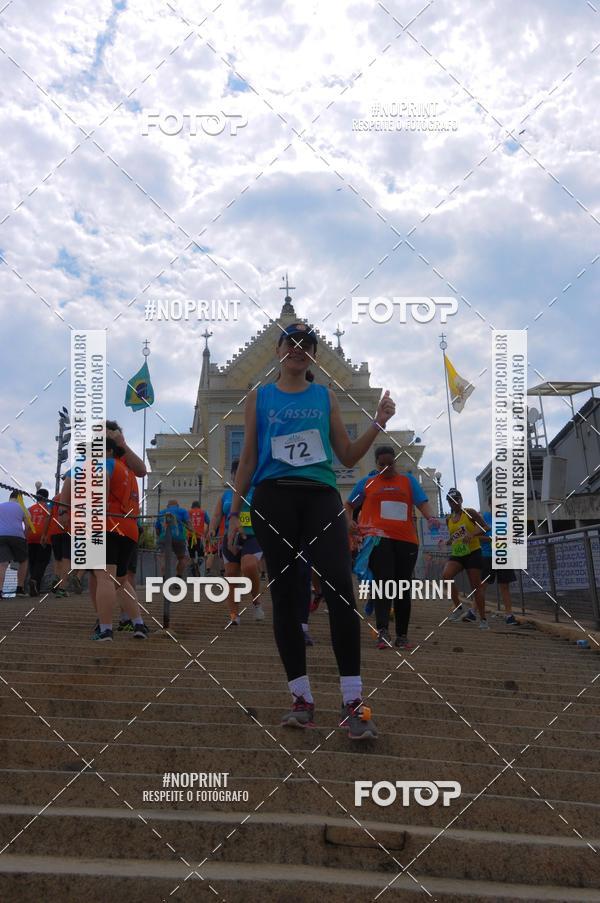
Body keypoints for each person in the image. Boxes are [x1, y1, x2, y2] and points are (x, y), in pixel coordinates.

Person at [230, 321, 395, 740]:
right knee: (286, 597)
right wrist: (233, 511)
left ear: (314, 355)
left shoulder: (325, 396)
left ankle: (353, 701)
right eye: (291, 342)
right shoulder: (259, 397)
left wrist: (377, 422)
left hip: (320, 495)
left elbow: (347, 454)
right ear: (278, 349)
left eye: (306, 344)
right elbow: (247, 457)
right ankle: (301, 698)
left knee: (340, 588)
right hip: (273, 497)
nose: (298, 349)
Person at [346, 446, 440, 650]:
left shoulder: (408, 481)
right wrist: (349, 521)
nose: (386, 468)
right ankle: (383, 632)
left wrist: (431, 517)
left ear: (395, 462)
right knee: (384, 584)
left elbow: (422, 503)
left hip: (406, 540)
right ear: (376, 463)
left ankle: (402, 635)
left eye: (390, 464)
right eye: (382, 464)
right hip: (378, 539)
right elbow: (349, 505)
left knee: (402, 587)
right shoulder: (367, 483)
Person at [211, 461, 264, 625]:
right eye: (236, 472)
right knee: (231, 575)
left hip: (253, 536)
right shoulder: (225, 495)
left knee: (249, 566)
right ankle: (234, 615)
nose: (240, 475)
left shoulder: (258, 492)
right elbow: (217, 515)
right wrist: (212, 529)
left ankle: (256, 602)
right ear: (233, 475)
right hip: (231, 538)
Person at [443, 488, 489, 629]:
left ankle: (483, 619)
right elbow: (455, 535)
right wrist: (448, 541)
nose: (453, 503)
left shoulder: (469, 512)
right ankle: (458, 608)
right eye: (450, 501)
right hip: (458, 554)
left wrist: (472, 534)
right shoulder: (448, 519)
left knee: (476, 587)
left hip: (473, 553)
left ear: (461, 500)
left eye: (456, 500)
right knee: (446, 576)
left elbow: (485, 527)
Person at [479, 494, 518, 625]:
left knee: (505, 586)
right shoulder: (483, 517)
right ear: (489, 505)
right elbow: (476, 537)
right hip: (488, 555)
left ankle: (509, 615)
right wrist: (491, 539)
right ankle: (473, 611)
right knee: (482, 585)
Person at [0, 490, 28, 597]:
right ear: (20, 498)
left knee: (2, 563)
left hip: (1, 536)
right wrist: (25, 535)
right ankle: (20, 588)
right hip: (17, 536)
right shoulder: (22, 507)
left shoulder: (1, 506)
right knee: (23, 561)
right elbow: (27, 525)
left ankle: (0, 590)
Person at [26, 488, 52, 596]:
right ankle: (35, 580)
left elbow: (27, 524)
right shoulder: (48, 508)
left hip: (30, 536)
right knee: (42, 562)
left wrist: (26, 536)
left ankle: (34, 586)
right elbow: (49, 520)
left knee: (32, 562)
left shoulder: (30, 508)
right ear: (47, 497)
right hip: (44, 537)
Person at [155, 500, 189, 580]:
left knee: (163, 557)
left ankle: (165, 578)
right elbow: (188, 523)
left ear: (167, 506)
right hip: (178, 538)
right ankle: (178, 577)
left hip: (163, 537)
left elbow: (157, 529)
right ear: (177, 505)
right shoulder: (183, 511)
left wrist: (160, 536)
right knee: (182, 558)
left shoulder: (161, 512)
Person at [188, 501, 210, 577]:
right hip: (200, 536)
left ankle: (193, 566)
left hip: (190, 537)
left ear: (192, 506)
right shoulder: (203, 512)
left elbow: (184, 523)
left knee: (191, 555)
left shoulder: (188, 512)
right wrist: (206, 533)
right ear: (199, 506)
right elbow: (209, 522)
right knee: (201, 555)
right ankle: (199, 565)